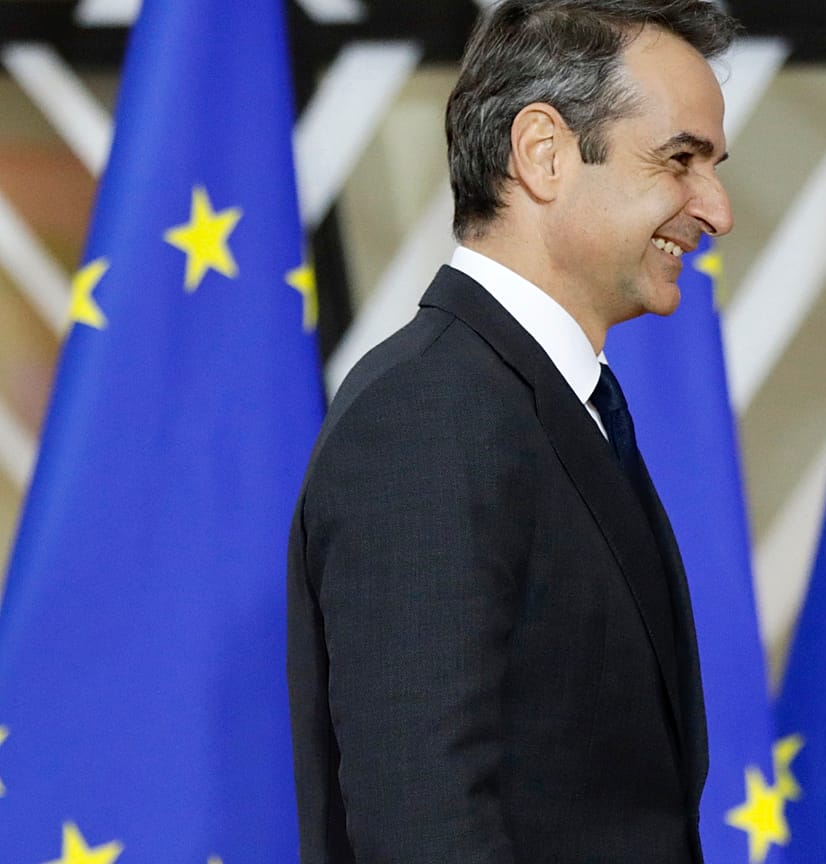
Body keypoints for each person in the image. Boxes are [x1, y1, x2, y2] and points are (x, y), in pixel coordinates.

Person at [285, 1, 737, 861]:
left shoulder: (543, 402)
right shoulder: (428, 417)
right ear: (543, 153)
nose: (716, 210)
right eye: (680, 160)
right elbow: (426, 825)